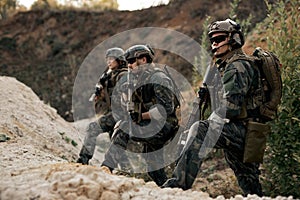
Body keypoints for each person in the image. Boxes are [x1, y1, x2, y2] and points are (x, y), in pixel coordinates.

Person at [162, 19, 264, 196]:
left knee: (201, 130)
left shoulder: (237, 66)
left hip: (243, 130)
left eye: (220, 39)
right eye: (212, 40)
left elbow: (230, 107)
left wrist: (207, 124)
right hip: (240, 130)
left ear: (234, 39)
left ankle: (177, 187)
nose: (214, 44)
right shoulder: (225, 66)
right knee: (248, 181)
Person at [100, 44, 179, 186]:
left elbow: (165, 110)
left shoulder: (158, 78)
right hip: (152, 125)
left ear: (143, 60)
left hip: (164, 127)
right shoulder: (138, 78)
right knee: (153, 169)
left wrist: (140, 117)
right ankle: (171, 191)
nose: (129, 65)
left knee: (123, 128)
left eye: (131, 61)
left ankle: (106, 168)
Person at [77, 47, 128, 165]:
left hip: (121, 114)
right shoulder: (109, 75)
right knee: (116, 143)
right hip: (113, 112)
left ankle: (83, 160)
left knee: (93, 128)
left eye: (112, 59)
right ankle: (126, 169)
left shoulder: (123, 75)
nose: (109, 62)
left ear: (119, 60)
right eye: (108, 59)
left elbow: (125, 96)